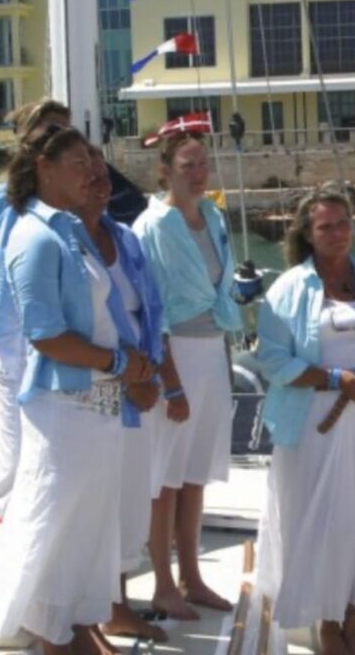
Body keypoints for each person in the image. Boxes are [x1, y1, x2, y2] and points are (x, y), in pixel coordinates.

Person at [0, 125, 154, 654]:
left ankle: (79, 627)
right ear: (44, 166)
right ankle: (53, 638)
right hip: (64, 413)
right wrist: (120, 362)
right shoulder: (35, 237)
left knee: (88, 532)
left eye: (92, 162)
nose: (92, 172)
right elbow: (45, 336)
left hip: (97, 412)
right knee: (55, 531)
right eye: (79, 163)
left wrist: (130, 367)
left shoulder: (69, 232)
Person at [255, 186, 355, 655]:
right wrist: (333, 379)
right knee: (325, 521)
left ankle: (352, 619)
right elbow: (272, 360)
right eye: (325, 226)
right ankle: (327, 624)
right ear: (308, 234)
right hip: (314, 426)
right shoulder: (287, 290)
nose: (337, 233)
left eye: (343, 223)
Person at [133, 132, 240, 619]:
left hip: (212, 350)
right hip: (174, 355)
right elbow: (150, 310)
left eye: (202, 164)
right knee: (167, 480)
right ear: (165, 171)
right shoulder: (151, 227)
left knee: (195, 475)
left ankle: (191, 578)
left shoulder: (214, 218)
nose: (198, 173)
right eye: (187, 165)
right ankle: (162, 584)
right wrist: (170, 383)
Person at [74, 148, 172, 643]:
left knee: (132, 497)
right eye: (87, 173)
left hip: (140, 386)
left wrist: (154, 374)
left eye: (103, 174)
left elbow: (151, 309)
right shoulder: (64, 245)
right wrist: (128, 375)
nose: (99, 182)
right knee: (97, 504)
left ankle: (116, 603)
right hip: (94, 390)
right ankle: (87, 615)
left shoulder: (126, 239)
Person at [0, 99, 72, 522]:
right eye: (50, 132)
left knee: (52, 455)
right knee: (13, 459)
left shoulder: (73, 204)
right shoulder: (0, 203)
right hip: (11, 343)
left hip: (63, 345)